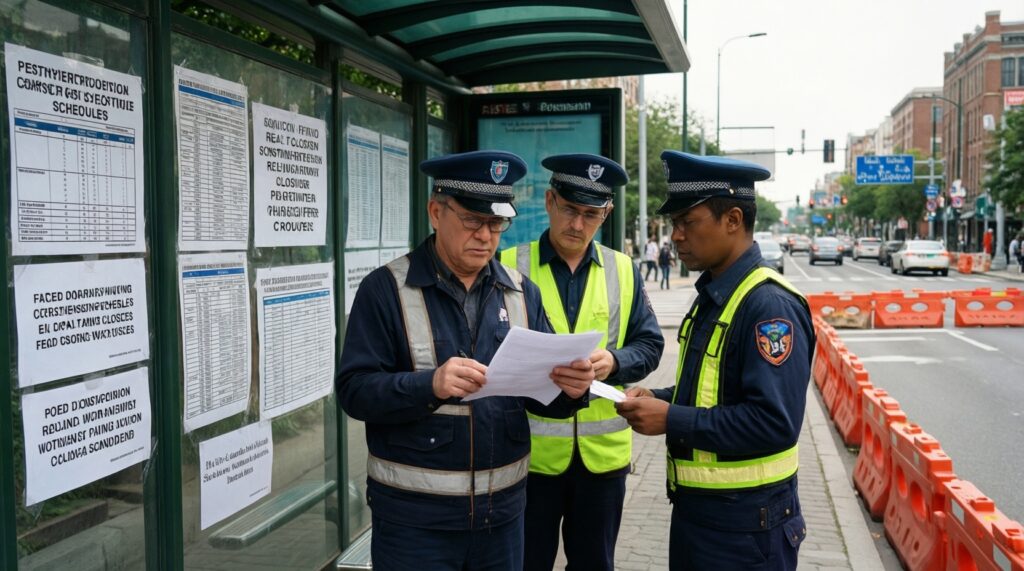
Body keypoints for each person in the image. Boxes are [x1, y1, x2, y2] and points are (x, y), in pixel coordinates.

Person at [336, 150, 596, 570]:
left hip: (504, 521)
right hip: (415, 526)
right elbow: (353, 391)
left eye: (496, 223)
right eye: (473, 221)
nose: (486, 236)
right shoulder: (385, 290)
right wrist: (429, 386)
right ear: (436, 212)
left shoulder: (521, 292)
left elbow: (538, 394)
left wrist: (569, 390)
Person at [615, 151, 814, 570]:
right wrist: (658, 397)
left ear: (733, 220)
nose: (676, 236)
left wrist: (670, 418)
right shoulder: (714, 295)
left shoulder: (768, 306)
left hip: (747, 530)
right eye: (674, 225)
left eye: (688, 222)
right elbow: (712, 390)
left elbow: (774, 423)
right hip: (704, 519)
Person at [500, 154, 664, 571]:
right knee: (524, 563)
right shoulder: (505, 265)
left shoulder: (624, 270)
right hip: (529, 457)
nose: (577, 224)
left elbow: (650, 344)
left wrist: (614, 359)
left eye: (591, 214)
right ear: (551, 201)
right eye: (570, 209)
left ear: (606, 214)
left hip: (602, 462)